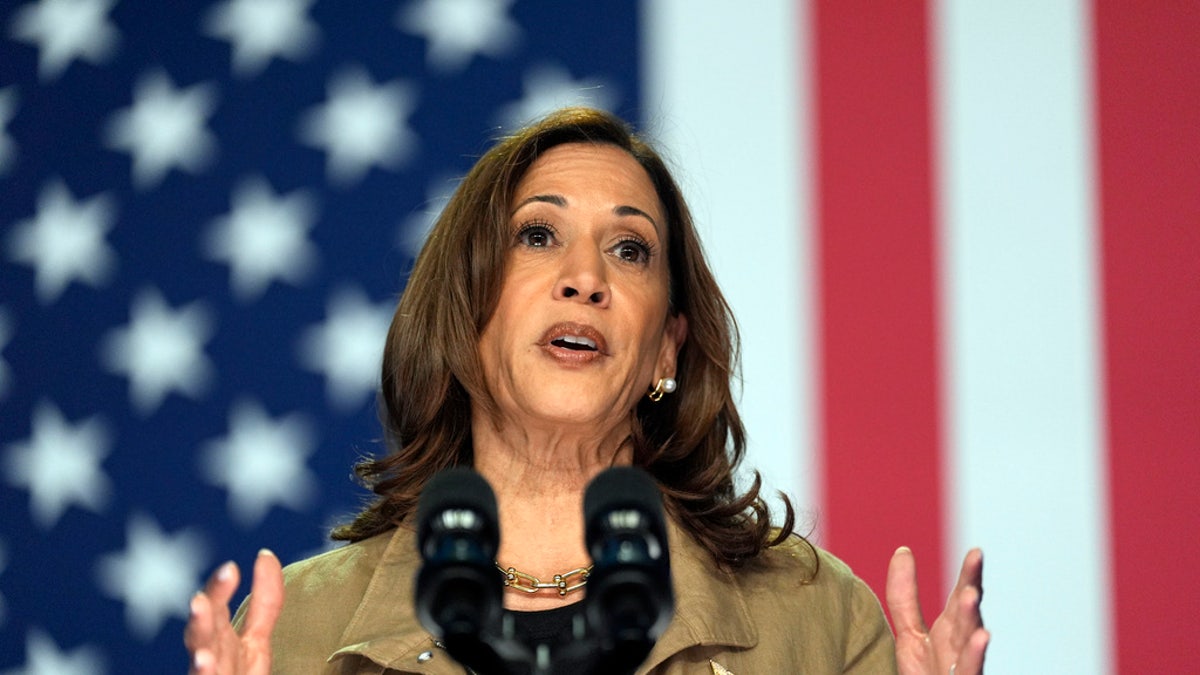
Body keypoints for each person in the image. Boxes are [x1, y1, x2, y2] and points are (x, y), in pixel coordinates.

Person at [184, 107, 989, 674]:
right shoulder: (294, 633)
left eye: (631, 249)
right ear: (464, 315)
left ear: (666, 348)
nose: (585, 279)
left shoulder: (814, 620)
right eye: (539, 234)